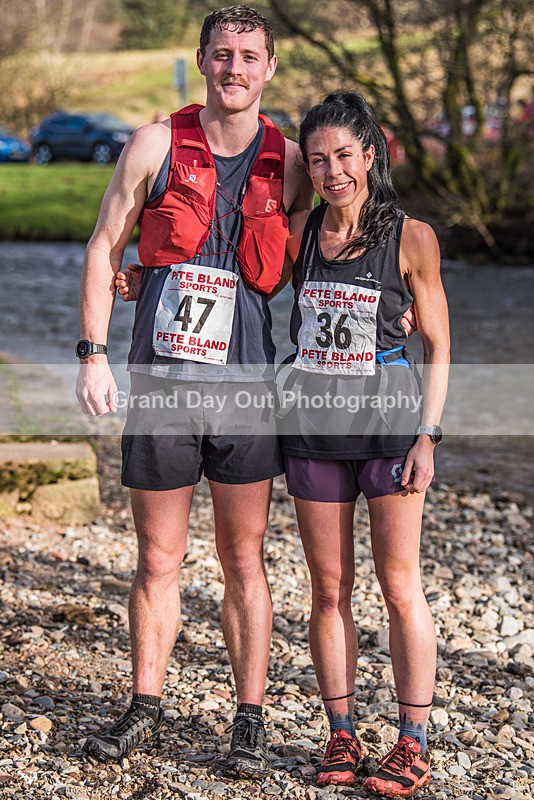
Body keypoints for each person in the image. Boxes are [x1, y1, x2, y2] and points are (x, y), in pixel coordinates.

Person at [75, 5, 313, 776]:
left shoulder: (297, 161)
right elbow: (104, 243)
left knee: (245, 560)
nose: (233, 69)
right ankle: (144, 706)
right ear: (203, 61)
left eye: (248, 56)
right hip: (161, 385)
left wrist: (398, 300)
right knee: (157, 559)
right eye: (221, 55)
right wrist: (92, 354)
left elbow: (338, 247)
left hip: (246, 388)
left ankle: (250, 720)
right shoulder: (154, 144)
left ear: (269, 67)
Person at [278, 91, 449, 797]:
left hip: (388, 429)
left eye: (344, 155)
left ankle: (412, 740)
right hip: (315, 432)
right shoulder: (298, 234)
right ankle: (342, 729)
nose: (331, 170)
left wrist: (429, 437)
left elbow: (439, 342)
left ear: (370, 156)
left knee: (399, 585)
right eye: (318, 160)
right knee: (328, 590)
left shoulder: (412, 237)